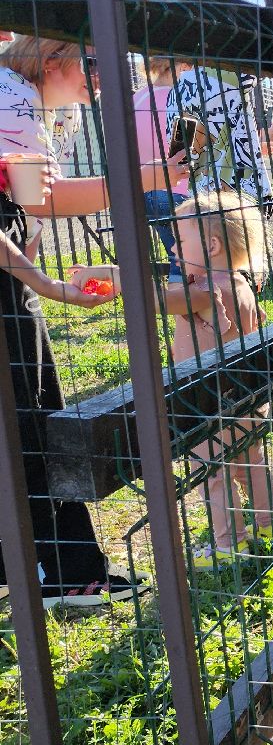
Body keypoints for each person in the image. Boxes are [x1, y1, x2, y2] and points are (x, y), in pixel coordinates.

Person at [0, 35, 180, 607]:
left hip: (10, 279)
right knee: (26, 418)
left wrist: (148, 178)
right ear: (53, 60)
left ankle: (59, 568)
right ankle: (52, 571)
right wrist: (45, 283)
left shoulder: (23, 101)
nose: (105, 78)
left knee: (33, 412)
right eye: (95, 63)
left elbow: (35, 202)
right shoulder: (12, 100)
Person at [168, 190, 273, 570]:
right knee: (251, 461)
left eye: (180, 240)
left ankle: (229, 543)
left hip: (207, 407)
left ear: (212, 244)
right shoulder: (241, 285)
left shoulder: (203, 292)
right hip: (247, 399)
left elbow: (153, 299)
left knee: (212, 474)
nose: (172, 248)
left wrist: (119, 281)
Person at [166, 66, 273, 204]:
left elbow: (179, 151)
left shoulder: (176, 90)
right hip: (240, 193)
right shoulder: (223, 73)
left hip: (200, 195)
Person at [132, 57, 192, 271]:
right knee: (192, 262)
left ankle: (181, 300)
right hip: (178, 192)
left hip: (145, 192)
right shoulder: (179, 99)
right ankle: (184, 303)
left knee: (179, 259)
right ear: (181, 65)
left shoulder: (136, 99)